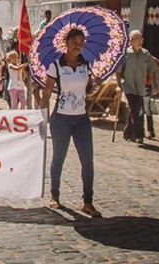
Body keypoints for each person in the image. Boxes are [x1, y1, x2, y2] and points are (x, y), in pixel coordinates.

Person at [39, 28, 102, 218]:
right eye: (74, 41)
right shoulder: (56, 66)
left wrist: (96, 84)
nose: (78, 45)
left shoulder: (86, 66)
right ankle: (55, 195)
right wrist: (42, 117)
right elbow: (47, 93)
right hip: (61, 119)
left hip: (82, 118)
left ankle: (88, 202)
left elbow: (89, 91)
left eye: (81, 42)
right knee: (59, 158)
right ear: (66, 43)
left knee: (87, 161)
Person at [115, 30, 159, 144]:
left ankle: (127, 133)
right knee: (136, 110)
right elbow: (118, 71)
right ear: (130, 42)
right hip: (128, 86)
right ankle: (139, 135)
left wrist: (154, 82)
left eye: (139, 38)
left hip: (140, 87)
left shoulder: (146, 54)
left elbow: (152, 69)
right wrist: (118, 85)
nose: (138, 41)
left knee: (133, 110)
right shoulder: (126, 54)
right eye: (135, 39)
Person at [143, 54, 159, 139]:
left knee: (146, 107)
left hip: (146, 85)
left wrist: (152, 76)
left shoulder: (145, 54)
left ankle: (150, 130)